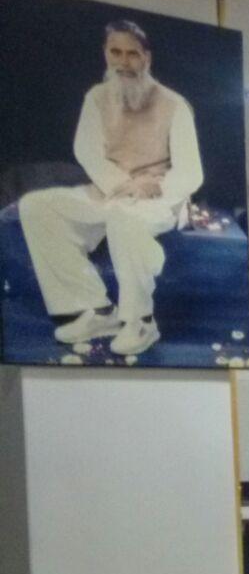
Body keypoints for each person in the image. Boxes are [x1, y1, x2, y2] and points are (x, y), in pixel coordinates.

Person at [18, 19, 202, 357]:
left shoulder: (174, 104)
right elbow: (87, 151)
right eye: (116, 52)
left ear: (146, 58)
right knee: (36, 205)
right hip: (111, 190)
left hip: (159, 197)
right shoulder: (97, 97)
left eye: (132, 54)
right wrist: (122, 184)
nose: (123, 62)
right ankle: (97, 311)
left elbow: (191, 172)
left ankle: (142, 321)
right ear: (105, 54)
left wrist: (151, 188)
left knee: (123, 216)